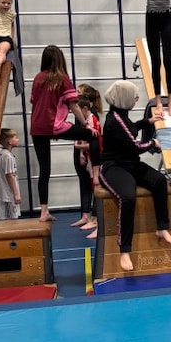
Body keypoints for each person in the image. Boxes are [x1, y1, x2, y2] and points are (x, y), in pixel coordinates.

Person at [99, 79, 171, 272]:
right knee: (128, 197)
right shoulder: (114, 120)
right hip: (113, 167)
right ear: (124, 98)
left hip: (130, 164)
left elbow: (131, 129)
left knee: (159, 181)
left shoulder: (120, 115)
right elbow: (134, 146)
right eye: (134, 98)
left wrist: (147, 122)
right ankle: (124, 250)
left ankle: (162, 227)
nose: (136, 100)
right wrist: (152, 143)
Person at [30, 44, 100, 223]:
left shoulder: (38, 78)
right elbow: (74, 105)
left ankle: (43, 211)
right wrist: (85, 125)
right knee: (93, 136)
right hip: (54, 125)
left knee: (44, 170)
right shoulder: (62, 79)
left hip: (37, 127)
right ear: (60, 60)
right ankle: (96, 172)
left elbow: (34, 101)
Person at [70, 84, 104, 238]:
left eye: (78, 91)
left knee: (94, 184)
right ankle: (86, 215)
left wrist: (81, 151)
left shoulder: (91, 116)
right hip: (84, 152)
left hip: (90, 154)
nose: (75, 93)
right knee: (85, 183)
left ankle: (95, 218)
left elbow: (93, 139)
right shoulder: (80, 112)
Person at [0, 128, 21, 219]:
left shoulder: (5, 154)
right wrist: (16, 194)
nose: (18, 139)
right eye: (15, 137)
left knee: (12, 219)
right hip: (8, 196)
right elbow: (9, 175)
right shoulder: (7, 156)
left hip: (7, 194)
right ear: (9, 141)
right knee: (10, 220)